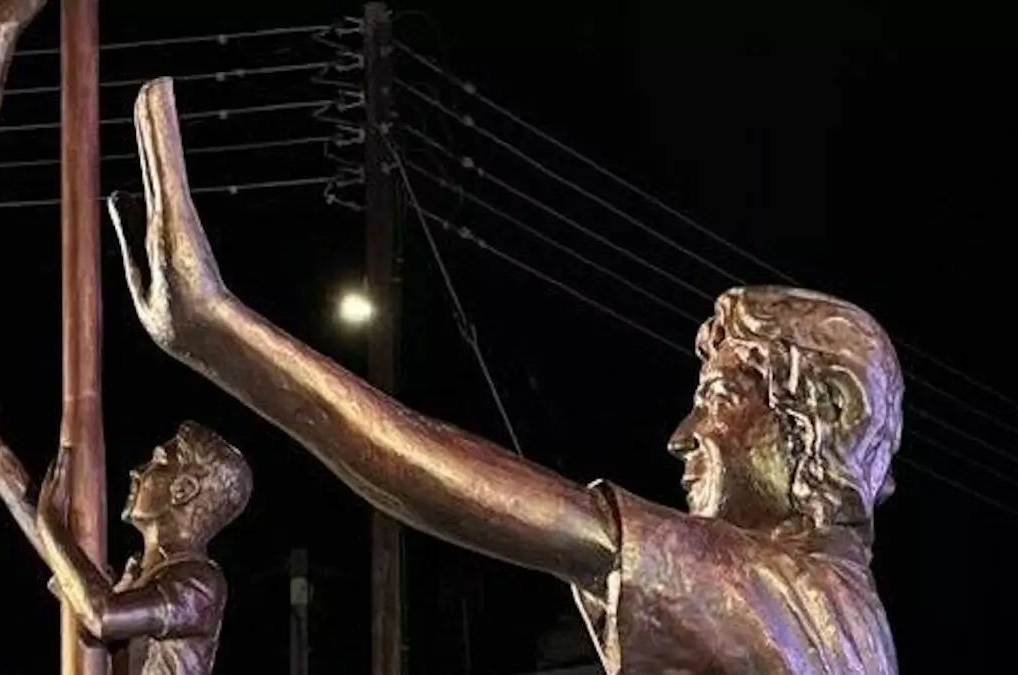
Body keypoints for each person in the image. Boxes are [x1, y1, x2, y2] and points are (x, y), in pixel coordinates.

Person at [109, 77, 902, 674]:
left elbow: (460, 487)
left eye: (722, 398)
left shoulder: (796, 597)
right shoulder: (818, 609)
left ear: (827, 411)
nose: (682, 436)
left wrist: (224, 333)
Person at [0, 349, 252, 675]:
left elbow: (101, 615)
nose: (137, 472)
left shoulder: (199, 585)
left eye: (157, 463)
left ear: (183, 490)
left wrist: (52, 525)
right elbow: (67, 565)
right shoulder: (141, 575)